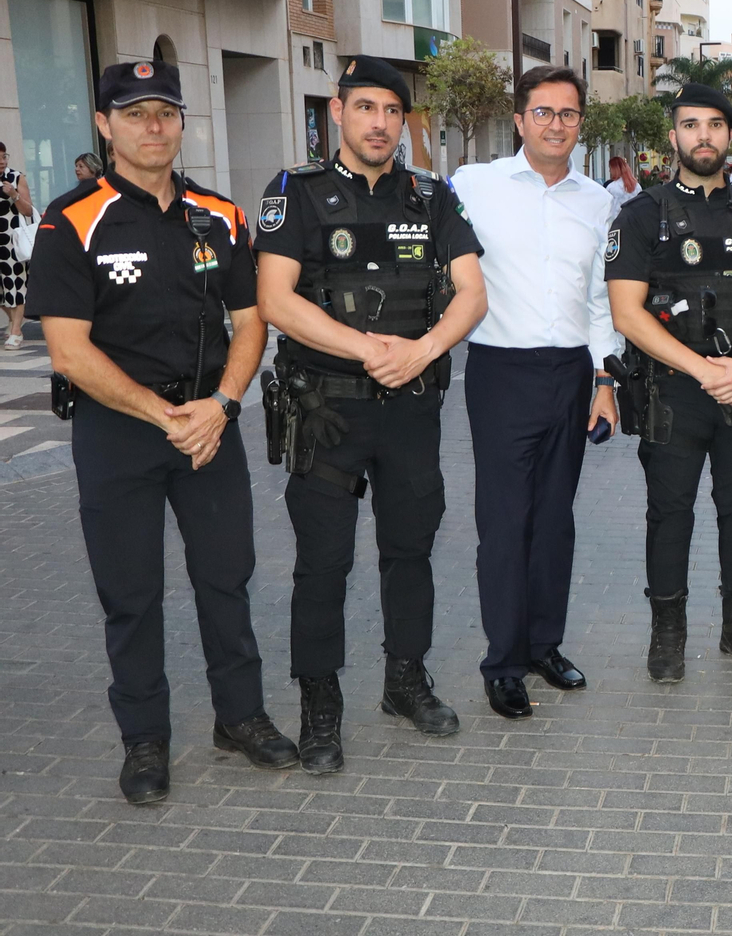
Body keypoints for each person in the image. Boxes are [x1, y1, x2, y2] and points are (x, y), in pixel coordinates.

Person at [27, 60, 296, 804]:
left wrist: (224, 406)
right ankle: (145, 739)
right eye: (137, 113)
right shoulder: (69, 219)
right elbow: (68, 350)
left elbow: (250, 323)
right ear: (106, 125)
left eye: (166, 113)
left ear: (182, 123)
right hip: (120, 433)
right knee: (132, 593)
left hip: (212, 427)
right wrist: (164, 414)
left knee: (226, 580)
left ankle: (239, 718)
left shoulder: (219, 215)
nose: (154, 126)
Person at [254, 56, 488, 773]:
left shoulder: (432, 197)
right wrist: (367, 349)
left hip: (412, 408)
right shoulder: (294, 191)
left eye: (391, 110)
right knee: (323, 564)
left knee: (409, 552)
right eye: (366, 108)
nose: (379, 122)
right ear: (338, 110)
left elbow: (472, 295)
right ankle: (320, 705)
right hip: (327, 411)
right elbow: (276, 298)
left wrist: (423, 350)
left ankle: (404, 681)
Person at [605, 83, 732, 682]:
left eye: (715, 125)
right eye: (691, 125)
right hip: (674, 392)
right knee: (670, 515)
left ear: (730, 136)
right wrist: (703, 369)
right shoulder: (641, 215)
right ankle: (668, 634)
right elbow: (626, 312)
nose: (703, 136)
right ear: (674, 138)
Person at [451, 66, 621, 719]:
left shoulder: (597, 200)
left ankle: (544, 645)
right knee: (504, 524)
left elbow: (599, 298)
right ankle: (503, 663)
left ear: (581, 123)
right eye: (543, 112)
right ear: (519, 120)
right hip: (499, 369)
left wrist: (605, 378)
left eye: (568, 114)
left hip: (572, 372)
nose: (556, 124)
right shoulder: (474, 185)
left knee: (555, 521)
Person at [0, 141, 35, 349]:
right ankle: (14, 320)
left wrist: (14, 195)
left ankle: (16, 331)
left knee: (15, 284)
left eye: (4, 157)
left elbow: (29, 210)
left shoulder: (16, 177)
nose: (2, 162)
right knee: (2, 290)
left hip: (12, 241)